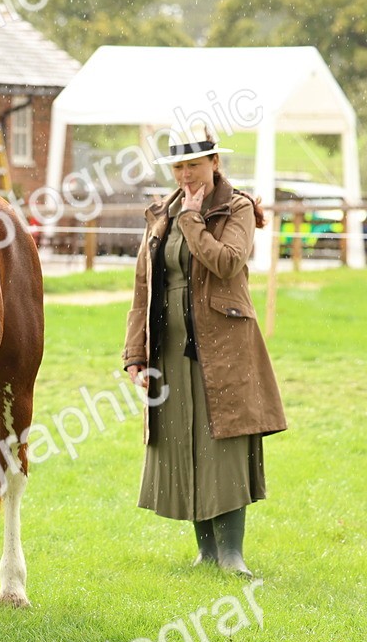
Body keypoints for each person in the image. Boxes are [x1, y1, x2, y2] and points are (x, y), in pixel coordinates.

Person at [122, 122, 286, 578]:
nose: (185, 175)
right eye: (178, 167)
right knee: (184, 443)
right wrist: (135, 353)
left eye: (193, 165)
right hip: (170, 349)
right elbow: (142, 287)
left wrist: (193, 222)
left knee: (223, 443)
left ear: (215, 162)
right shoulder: (161, 213)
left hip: (224, 347)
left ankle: (232, 553)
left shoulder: (237, 208)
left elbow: (227, 262)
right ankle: (206, 552)